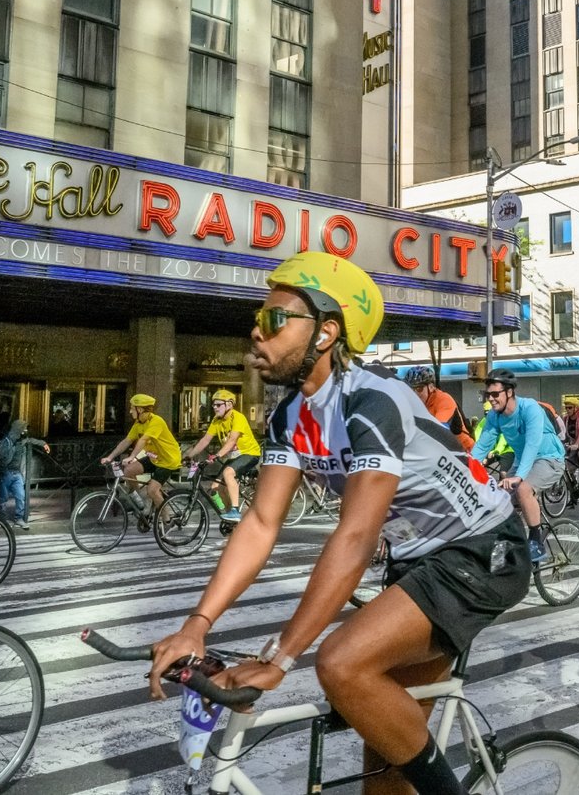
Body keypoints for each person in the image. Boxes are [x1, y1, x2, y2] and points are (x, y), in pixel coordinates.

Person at [148, 253, 528, 795]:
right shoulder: (290, 417)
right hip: (419, 559)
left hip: (482, 551)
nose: (258, 329)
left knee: (341, 664)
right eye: (260, 315)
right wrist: (197, 624)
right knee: (386, 738)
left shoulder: (370, 402)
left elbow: (354, 536)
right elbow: (259, 522)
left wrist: (280, 658)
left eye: (276, 319)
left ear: (327, 333)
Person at [473, 368, 566, 564]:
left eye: (495, 394)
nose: (491, 398)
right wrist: (462, 470)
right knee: (498, 499)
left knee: (523, 489)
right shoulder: (495, 416)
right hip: (522, 459)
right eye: (488, 394)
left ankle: (535, 542)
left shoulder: (529, 408)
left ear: (509, 392)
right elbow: (481, 447)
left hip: (549, 458)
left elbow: (532, 444)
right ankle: (512, 542)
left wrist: (519, 477)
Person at [101, 393, 183, 519]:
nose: (130, 411)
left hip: (168, 460)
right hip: (155, 458)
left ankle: (167, 519)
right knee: (128, 470)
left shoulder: (156, 421)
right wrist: (110, 457)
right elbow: (127, 441)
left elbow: (143, 440)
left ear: (140, 409)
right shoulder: (138, 423)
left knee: (152, 490)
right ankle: (138, 500)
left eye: (132, 408)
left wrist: (131, 456)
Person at [184, 389, 261, 523]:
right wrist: (189, 455)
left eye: (218, 405)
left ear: (229, 405)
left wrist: (217, 455)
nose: (215, 407)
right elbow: (205, 440)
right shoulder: (216, 420)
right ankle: (229, 517)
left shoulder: (238, 417)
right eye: (213, 405)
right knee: (215, 487)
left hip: (249, 453)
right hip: (233, 457)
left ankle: (235, 511)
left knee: (228, 473)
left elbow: (232, 441)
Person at [0, 419, 50, 529]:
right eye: (23, 428)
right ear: (18, 429)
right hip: (6, 473)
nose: (25, 430)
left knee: (20, 496)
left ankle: (19, 519)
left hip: (16, 473)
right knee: (3, 498)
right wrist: (1, 474)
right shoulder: (7, 442)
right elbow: (0, 460)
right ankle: (2, 519)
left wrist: (43, 444)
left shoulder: (22, 440)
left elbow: (31, 440)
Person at [404, 367, 475, 452]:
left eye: (419, 389)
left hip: (464, 451)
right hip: (441, 452)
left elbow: (438, 432)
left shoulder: (444, 400)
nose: (414, 394)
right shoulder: (413, 405)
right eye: (410, 389)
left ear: (431, 387)